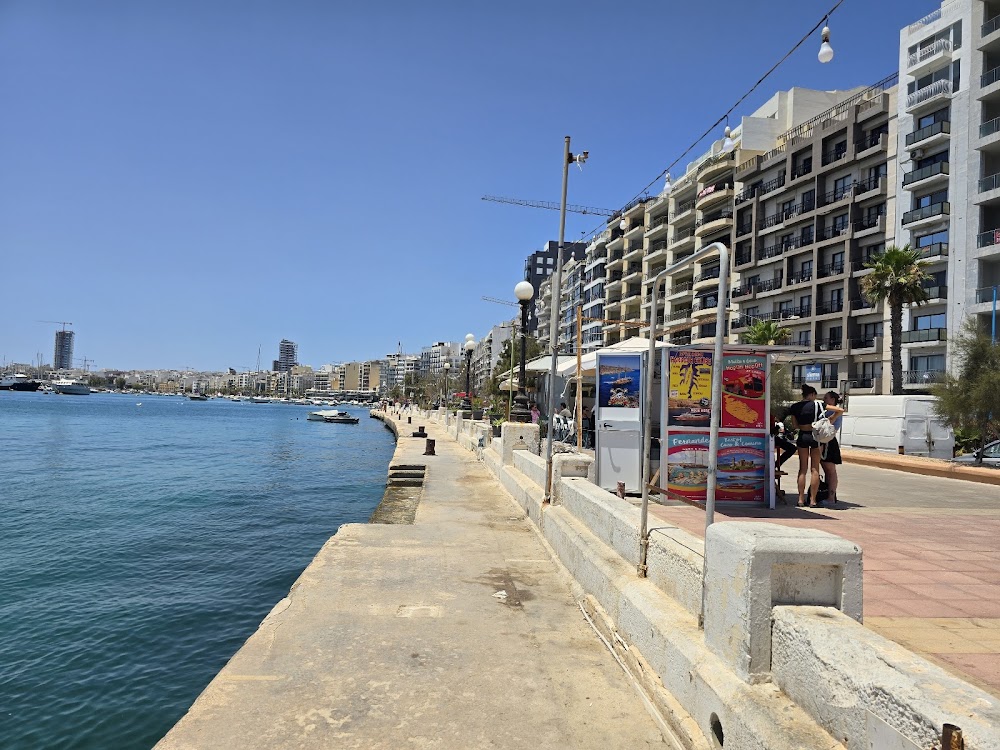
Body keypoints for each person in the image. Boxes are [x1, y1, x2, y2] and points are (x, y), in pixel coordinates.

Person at [788, 384, 823, 508]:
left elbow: (794, 425)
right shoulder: (818, 405)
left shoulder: (795, 407)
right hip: (815, 437)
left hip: (803, 436)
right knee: (815, 469)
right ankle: (813, 500)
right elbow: (837, 411)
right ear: (812, 394)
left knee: (802, 468)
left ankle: (800, 499)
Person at [820, 391, 845, 505]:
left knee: (831, 471)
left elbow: (828, 425)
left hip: (829, 441)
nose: (824, 400)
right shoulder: (825, 411)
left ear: (833, 399)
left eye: (826, 398)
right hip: (823, 441)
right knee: (826, 470)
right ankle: (830, 495)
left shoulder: (835, 411)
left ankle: (831, 497)